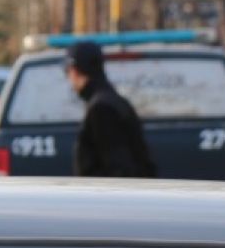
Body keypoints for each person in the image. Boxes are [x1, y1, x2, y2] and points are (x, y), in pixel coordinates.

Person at [65, 40, 157, 178]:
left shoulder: (102, 109)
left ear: (75, 70)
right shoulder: (110, 102)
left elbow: (119, 171)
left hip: (109, 198)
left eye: (68, 71)